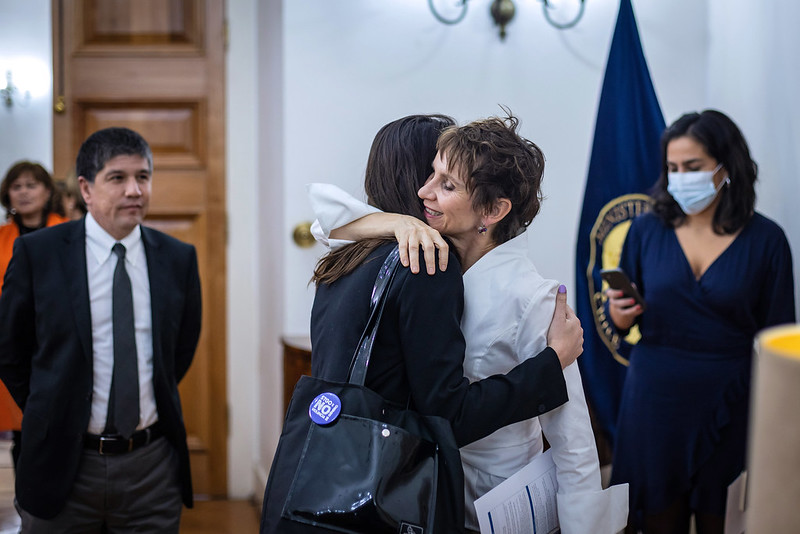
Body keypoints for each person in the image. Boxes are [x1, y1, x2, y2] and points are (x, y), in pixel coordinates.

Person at [261, 114, 585, 534]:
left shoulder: (344, 259)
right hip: (381, 492)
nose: (426, 190)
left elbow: (329, 222)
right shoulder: (424, 262)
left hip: (321, 478)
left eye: (446, 181)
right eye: (432, 172)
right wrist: (552, 363)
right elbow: (448, 414)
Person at [0, 127, 202, 533]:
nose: (134, 190)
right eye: (117, 178)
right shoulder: (39, 253)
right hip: (61, 464)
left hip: (151, 468)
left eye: (143, 177)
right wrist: (48, 410)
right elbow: (10, 349)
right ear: (86, 189)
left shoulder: (177, 258)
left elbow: (178, 351)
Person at [606, 110, 795, 534]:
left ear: (726, 167)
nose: (680, 178)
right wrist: (619, 316)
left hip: (730, 402)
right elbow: (622, 314)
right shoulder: (646, 230)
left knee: (722, 520)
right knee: (657, 519)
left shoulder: (767, 241)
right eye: (672, 168)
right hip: (654, 399)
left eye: (692, 167)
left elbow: (780, 337)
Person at [0, 161, 68, 468]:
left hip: (60, 340)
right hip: (15, 341)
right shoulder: (2, 237)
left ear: (47, 191)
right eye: (17, 187)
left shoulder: (69, 230)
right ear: (8, 194)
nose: (24, 193)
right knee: (24, 433)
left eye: (31, 185)